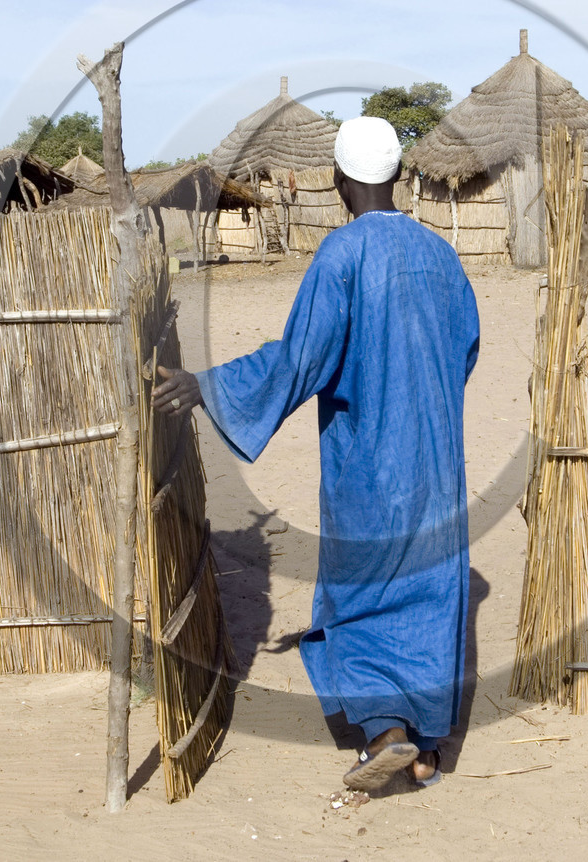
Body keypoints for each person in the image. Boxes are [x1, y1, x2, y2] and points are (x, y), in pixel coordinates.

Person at [151, 115, 480, 791]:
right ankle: (425, 749)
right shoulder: (442, 255)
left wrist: (206, 384)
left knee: (364, 592)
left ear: (338, 181)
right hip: (437, 460)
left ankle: (386, 730)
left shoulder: (342, 256)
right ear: (396, 177)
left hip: (370, 464)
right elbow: (466, 347)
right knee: (430, 593)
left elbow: (300, 359)